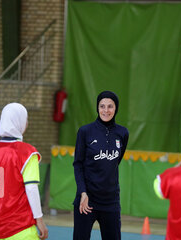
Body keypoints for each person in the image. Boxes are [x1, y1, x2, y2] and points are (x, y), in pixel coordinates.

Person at [0, 103, 48, 240]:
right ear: (19, 121)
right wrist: (39, 220)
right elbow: (31, 188)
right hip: (21, 229)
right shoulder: (27, 152)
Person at [73, 91, 129, 240]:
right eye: (102, 106)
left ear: (116, 108)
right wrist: (83, 192)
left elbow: (115, 161)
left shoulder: (123, 133)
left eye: (110, 106)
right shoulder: (85, 131)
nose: (106, 110)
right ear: (97, 108)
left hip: (111, 202)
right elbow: (78, 164)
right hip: (86, 200)